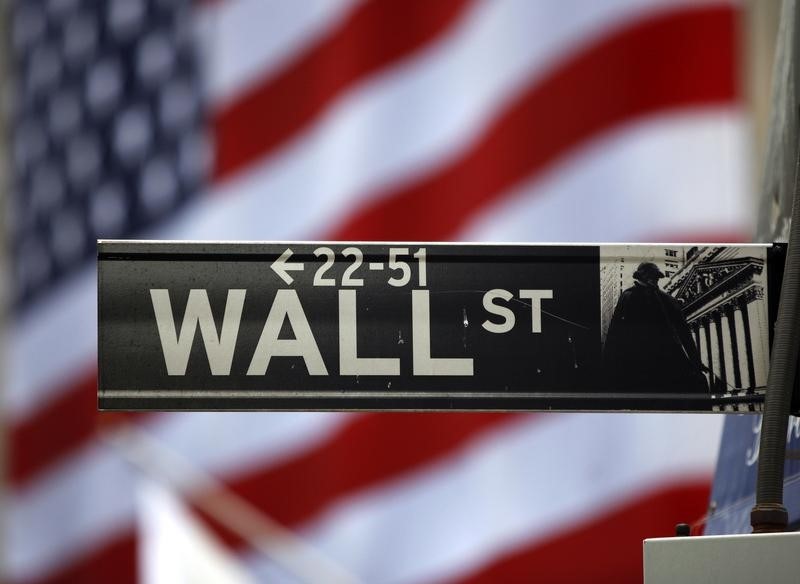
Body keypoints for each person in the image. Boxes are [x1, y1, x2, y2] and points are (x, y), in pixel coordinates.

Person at [603, 262, 708, 393]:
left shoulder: (667, 299)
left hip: (665, 359)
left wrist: (696, 361)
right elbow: (616, 332)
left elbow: (684, 332)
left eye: (655, 277)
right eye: (650, 276)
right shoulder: (629, 296)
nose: (653, 280)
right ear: (641, 277)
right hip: (640, 361)